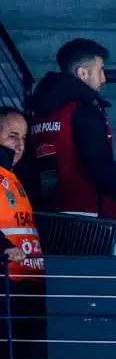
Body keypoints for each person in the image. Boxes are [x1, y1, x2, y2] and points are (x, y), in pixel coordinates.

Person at [24, 40, 116, 219]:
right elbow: (98, 165)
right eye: (101, 70)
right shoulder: (83, 110)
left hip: (46, 211)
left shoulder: (39, 112)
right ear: (82, 73)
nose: (104, 78)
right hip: (88, 214)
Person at [0, 109, 42, 282]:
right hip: (7, 280)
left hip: (29, 277)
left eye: (24, 137)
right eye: (13, 136)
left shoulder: (15, 177)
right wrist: (3, 247)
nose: (20, 145)